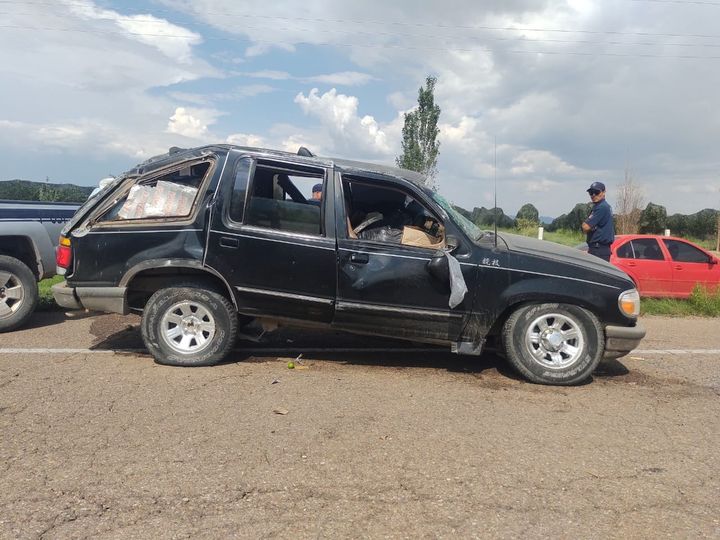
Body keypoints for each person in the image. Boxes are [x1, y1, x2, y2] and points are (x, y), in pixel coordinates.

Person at [581, 181, 614, 262]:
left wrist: (587, 225)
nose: (593, 195)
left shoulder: (601, 207)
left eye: (596, 192)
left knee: (593, 275)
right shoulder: (602, 206)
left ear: (603, 192)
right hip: (599, 249)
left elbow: (585, 227)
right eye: (591, 192)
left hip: (598, 250)